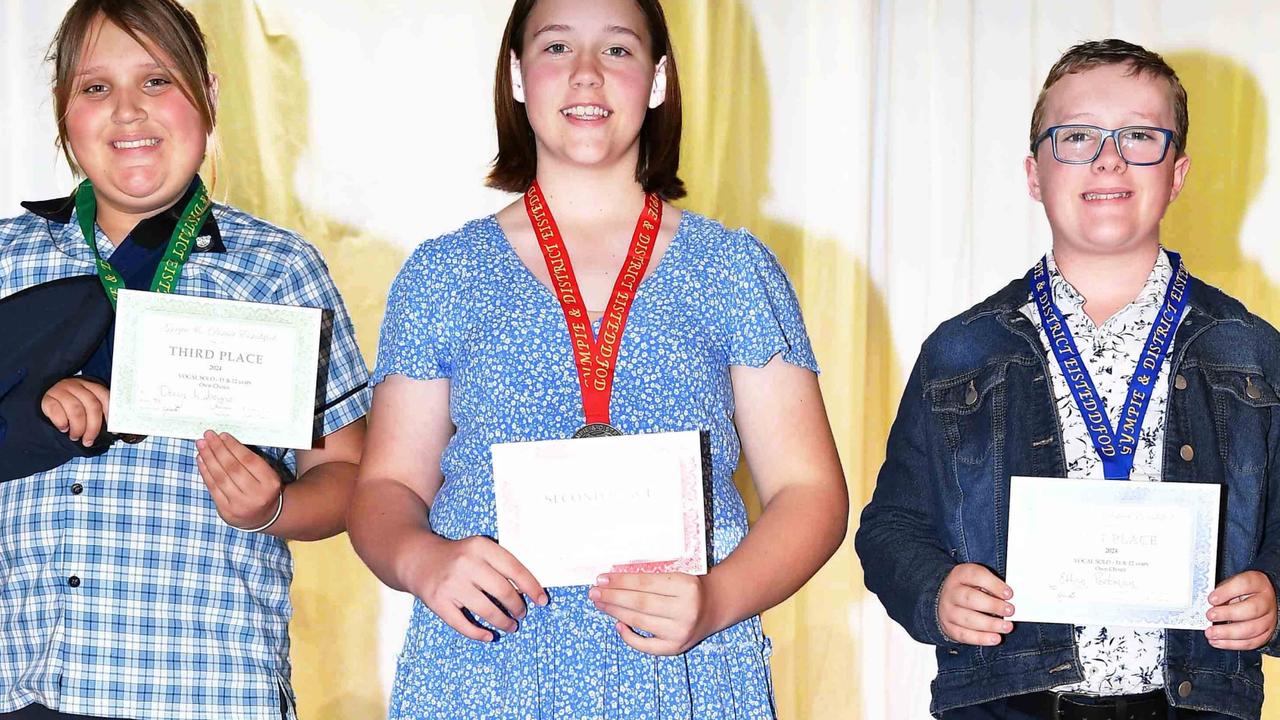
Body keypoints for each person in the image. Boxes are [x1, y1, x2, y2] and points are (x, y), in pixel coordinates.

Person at [346, 0, 848, 717]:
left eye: (617, 50)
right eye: (556, 48)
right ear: (518, 75)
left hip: (684, 672)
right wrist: (422, 561)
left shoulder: (732, 269)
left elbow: (811, 494)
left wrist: (716, 601)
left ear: (657, 79)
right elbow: (385, 487)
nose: (586, 75)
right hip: (486, 668)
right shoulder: (442, 273)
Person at [856, 38, 1280, 720]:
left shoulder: (1252, 352)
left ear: (1177, 174)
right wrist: (935, 591)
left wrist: (1274, 597)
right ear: (1033, 173)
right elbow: (891, 527)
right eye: (1077, 136)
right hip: (1009, 701)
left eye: (1140, 136)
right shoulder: (963, 350)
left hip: (1194, 703)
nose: (1109, 157)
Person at [0, 1, 369, 718]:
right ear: (62, 112)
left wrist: (274, 507)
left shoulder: (278, 272)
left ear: (209, 97)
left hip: (205, 684)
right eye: (95, 87)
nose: (128, 112)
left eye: (158, 81)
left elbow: (350, 478)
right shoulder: (6, 261)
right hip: (21, 681)